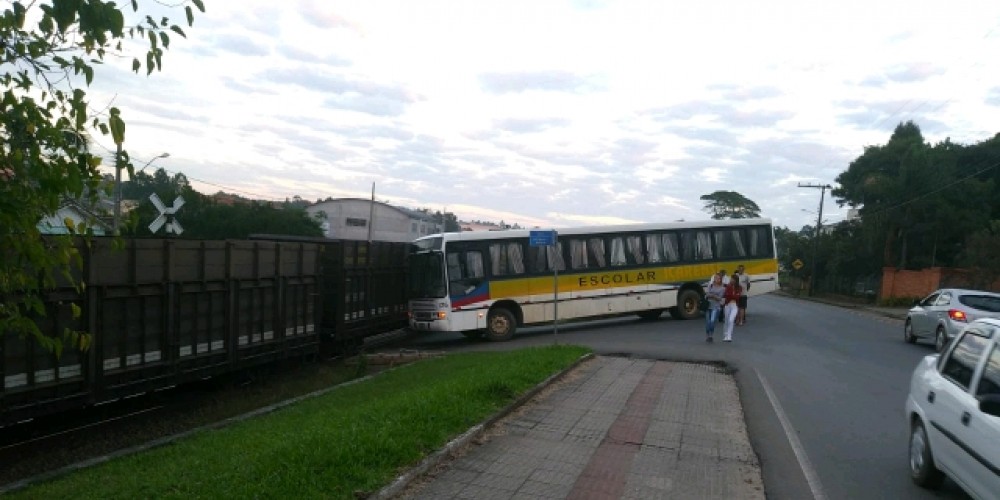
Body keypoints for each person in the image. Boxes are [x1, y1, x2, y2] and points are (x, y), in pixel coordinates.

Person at [704, 273, 725, 342]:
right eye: (715, 278)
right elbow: (707, 294)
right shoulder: (710, 285)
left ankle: (711, 335)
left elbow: (720, 298)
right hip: (708, 306)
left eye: (718, 278)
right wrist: (713, 296)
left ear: (720, 280)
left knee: (712, 321)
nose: (716, 279)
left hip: (716, 307)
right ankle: (707, 335)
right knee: (708, 322)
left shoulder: (722, 288)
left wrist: (713, 296)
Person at [722, 271, 743, 342]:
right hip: (727, 305)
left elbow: (738, 297)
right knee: (726, 321)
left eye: (733, 279)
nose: (731, 280)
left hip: (734, 305)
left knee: (731, 320)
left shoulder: (739, 287)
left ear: (736, 280)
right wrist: (733, 295)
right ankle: (725, 335)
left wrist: (732, 295)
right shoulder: (728, 286)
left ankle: (729, 335)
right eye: (731, 279)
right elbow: (726, 295)